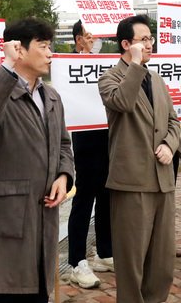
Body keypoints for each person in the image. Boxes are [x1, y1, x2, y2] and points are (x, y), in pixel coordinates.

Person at [0, 17, 75, 302]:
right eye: (42, 46)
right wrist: (6, 66)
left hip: (44, 216)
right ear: (19, 49)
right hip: (8, 218)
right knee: (5, 292)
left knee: (38, 291)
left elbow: (64, 144)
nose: (49, 53)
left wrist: (64, 177)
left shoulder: (51, 96)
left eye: (50, 46)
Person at [98, 15, 180, 303]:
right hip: (131, 181)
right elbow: (122, 102)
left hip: (162, 180)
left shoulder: (156, 79)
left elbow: (173, 121)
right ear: (125, 44)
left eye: (151, 38)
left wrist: (170, 145)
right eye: (143, 39)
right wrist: (134, 65)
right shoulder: (110, 78)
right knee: (131, 262)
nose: (150, 43)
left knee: (162, 262)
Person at [62, 21, 112, 289]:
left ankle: (104, 252)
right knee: (84, 201)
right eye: (91, 37)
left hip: (109, 139)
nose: (97, 41)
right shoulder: (69, 65)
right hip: (86, 143)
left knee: (107, 197)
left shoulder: (107, 63)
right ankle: (76, 262)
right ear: (79, 39)